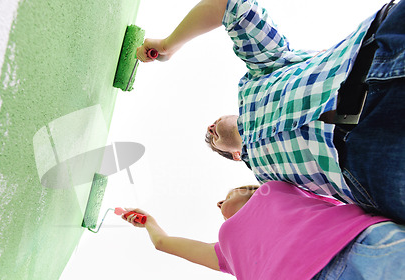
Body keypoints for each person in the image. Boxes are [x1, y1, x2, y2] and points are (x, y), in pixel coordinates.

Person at [137, 0, 405, 224]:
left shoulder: (257, 78)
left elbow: (232, 6)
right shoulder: (269, 184)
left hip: (378, 57)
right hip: (377, 168)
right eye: (214, 139)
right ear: (235, 155)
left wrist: (168, 44)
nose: (211, 130)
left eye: (212, 125)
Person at [122, 182, 405, 280]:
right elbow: (163, 243)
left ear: (250, 189)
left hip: (356, 250)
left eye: (227, 193)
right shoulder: (224, 249)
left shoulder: (280, 185)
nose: (219, 202)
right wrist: (149, 222)